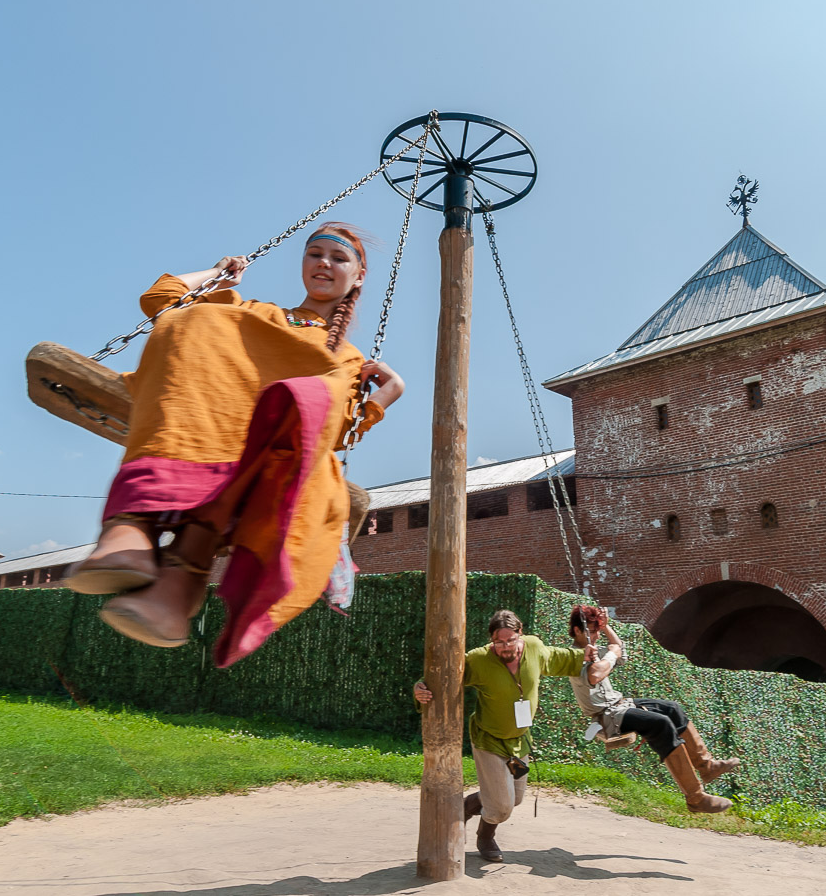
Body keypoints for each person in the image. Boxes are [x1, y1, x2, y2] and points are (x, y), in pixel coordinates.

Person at [63, 223, 405, 667]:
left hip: (263, 447)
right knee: (190, 319)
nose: (324, 263)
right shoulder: (253, 312)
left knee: (309, 401)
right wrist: (218, 274)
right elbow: (163, 300)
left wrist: (382, 398)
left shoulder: (347, 358)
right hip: (201, 419)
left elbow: (331, 432)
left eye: (338, 258)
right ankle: (133, 528)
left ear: (359, 276)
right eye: (315, 254)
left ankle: (182, 575)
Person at [412, 609, 584, 863]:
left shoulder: (534, 647)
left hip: (519, 742)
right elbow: (442, 674)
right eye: (498, 642)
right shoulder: (479, 660)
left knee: (515, 798)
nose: (505, 647)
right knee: (501, 807)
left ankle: (466, 806)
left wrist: (591, 653)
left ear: (520, 633)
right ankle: (485, 836)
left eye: (510, 640)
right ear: (491, 639)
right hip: (489, 741)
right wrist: (420, 687)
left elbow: (563, 658)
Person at [568, 604, 739, 813]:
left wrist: (605, 628)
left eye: (597, 631)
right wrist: (611, 654)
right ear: (577, 630)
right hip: (607, 717)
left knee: (672, 709)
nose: (596, 637)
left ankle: (707, 766)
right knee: (661, 724)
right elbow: (595, 674)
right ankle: (696, 797)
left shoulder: (594, 650)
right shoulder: (572, 656)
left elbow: (620, 651)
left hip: (621, 704)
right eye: (593, 632)